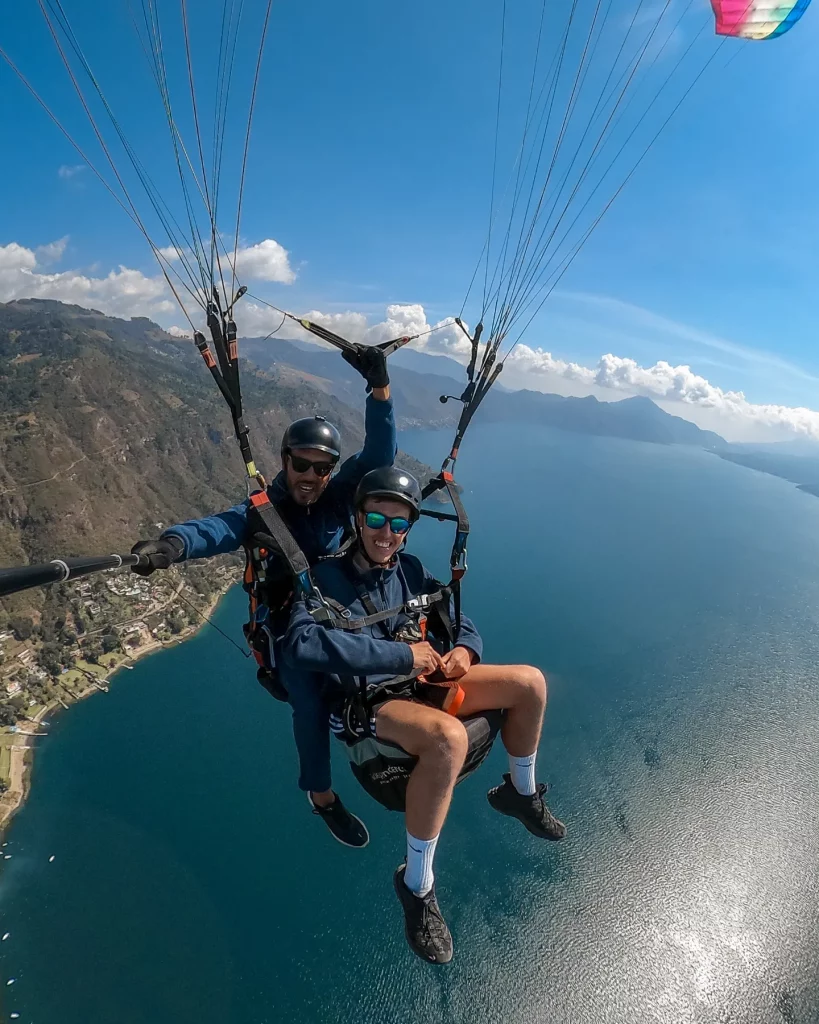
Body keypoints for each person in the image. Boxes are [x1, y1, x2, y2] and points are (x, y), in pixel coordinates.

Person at [280, 467, 566, 964]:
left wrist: (464, 652)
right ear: (357, 518)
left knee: (530, 684)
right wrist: (401, 657)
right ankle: (417, 886)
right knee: (448, 738)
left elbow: (456, 618)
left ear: (408, 529)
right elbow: (301, 643)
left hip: (421, 685)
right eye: (376, 520)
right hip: (369, 705)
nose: (386, 534)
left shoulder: (409, 570)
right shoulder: (325, 580)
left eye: (398, 524)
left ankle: (520, 794)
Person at [130, 346, 396, 849]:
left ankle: (401, 750)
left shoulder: (337, 497)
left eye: (322, 468)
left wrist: (379, 389)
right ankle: (322, 796)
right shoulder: (263, 511)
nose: (311, 477)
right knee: (309, 703)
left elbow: (379, 456)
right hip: (290, 629)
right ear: (284, 460)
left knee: (398, 660)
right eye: (302, 464)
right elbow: (215, 529)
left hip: (339, 615)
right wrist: (170, 546)